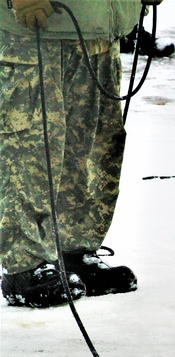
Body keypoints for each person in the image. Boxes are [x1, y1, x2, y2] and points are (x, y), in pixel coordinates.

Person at [0, 0, 158, 307]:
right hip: (35, 28)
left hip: (99, 26)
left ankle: (73, 250)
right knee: (30, 147)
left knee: (93, 145)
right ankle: (24, 263)